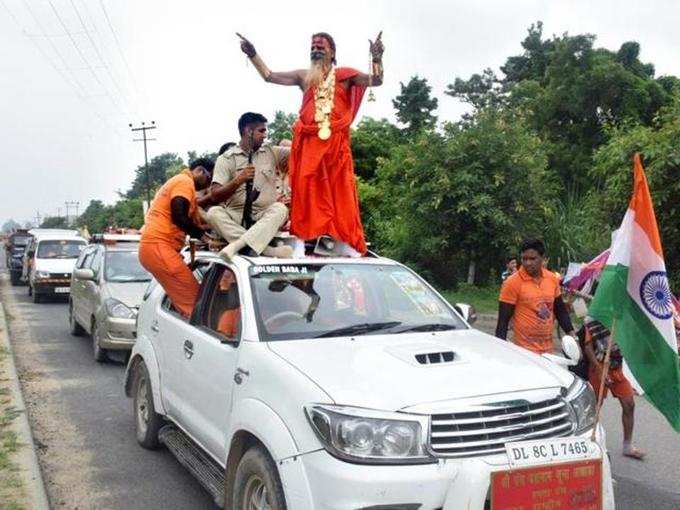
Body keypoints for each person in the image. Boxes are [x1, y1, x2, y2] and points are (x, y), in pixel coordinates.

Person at [238, 31, 385, 254]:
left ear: (332, 52)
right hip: (308, 145)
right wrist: (253, 54)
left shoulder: (345, 75)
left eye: (321, 46)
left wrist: (376, 58)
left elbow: (376, 80)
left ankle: (340, 239)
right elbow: (269, 75)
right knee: (306, 189)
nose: (316, 49)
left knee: (339, 192)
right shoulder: (303, 77)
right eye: (313, 47)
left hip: (336, 146)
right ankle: (305, 237)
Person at [201, 112, 292, 260]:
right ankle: (268, 251)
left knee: (280, 209)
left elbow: (300, 152)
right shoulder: (226, 159)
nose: (265, 135)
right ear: (248, 131)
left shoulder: (271, 152)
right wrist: (238, 180)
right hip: (236, 217)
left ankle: (237, 246)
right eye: (261, 131)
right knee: (213, 213)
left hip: (263, 216)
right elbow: (215, 195)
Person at [139, 159, 213, 317]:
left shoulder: (181, 183)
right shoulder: (184, 181)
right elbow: (179, 216)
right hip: (159, 246)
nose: (208, 184)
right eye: (209, 178)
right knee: (196, 306)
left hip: (156, 247)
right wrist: (205, 238)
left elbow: (193, 221)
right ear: (200, 171)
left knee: (192, 302)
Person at [495, 238, 576, 354]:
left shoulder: (552, 279)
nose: (528, 263)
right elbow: (502, 322)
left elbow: (560, 310)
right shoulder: (512, 283)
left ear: (543, 258)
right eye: (524, 259)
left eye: (532, 259)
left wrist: (572, 335)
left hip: (548, 352)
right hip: (523, 352)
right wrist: (500, 352)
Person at [583, 317, 646, 460]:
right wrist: (600, 371)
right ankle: (593, 442)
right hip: (598, 366)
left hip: (617, 366)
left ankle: (627, 446)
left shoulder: (620, 316)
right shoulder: (593, 318)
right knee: (595, 407)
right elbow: (588, 347)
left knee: (629, 404)